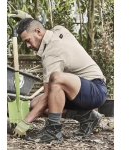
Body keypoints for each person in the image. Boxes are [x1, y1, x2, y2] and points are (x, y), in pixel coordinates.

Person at [11, 10, 107, 143]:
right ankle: (88, 117)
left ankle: (53, 131)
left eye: (28, 41)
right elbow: (37, 26)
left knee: (56, 79)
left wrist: (25, 122)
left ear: (38, 32)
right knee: (34, 104)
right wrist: (27, 18)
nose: (28, 46)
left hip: (95, 90)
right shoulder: (58, 30)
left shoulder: (51, 54)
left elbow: (48, 94)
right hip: (79, 91)